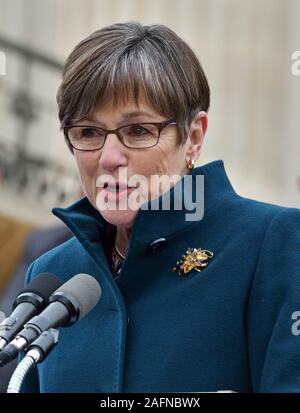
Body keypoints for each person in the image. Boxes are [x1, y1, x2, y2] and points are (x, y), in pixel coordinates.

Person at [20, 22, 299, 393]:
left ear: (194, 137)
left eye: (137, 130)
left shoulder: (269, 242)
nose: (109, 157)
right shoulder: (53, 272)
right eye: (88, 132)